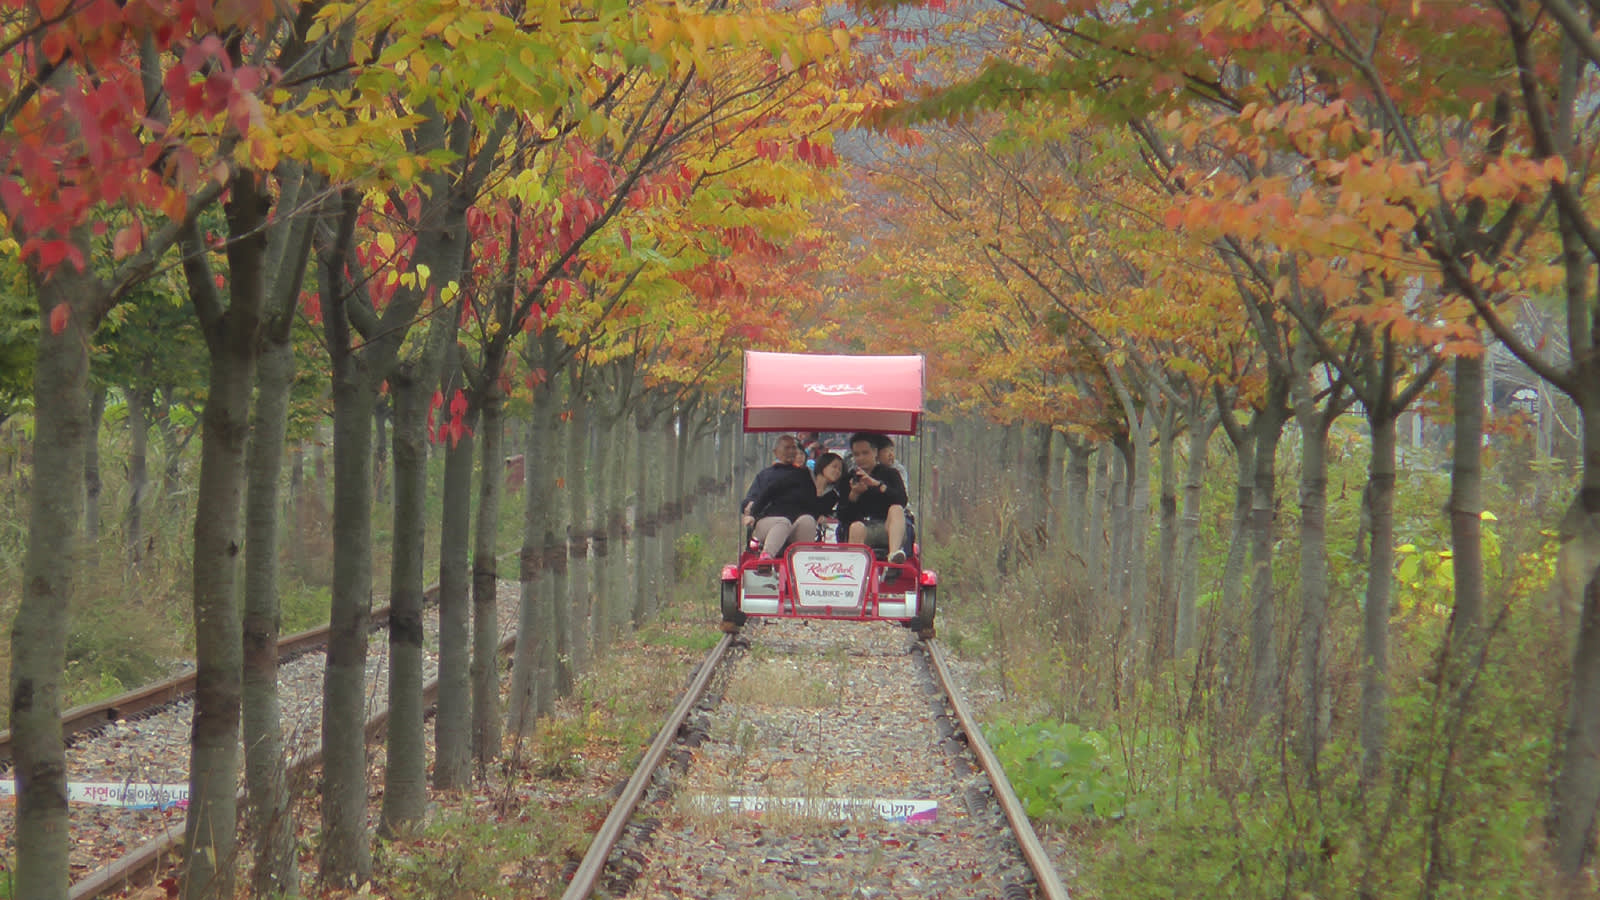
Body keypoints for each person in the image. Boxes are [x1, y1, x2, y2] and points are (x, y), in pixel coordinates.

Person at [744, 448, 837, 559]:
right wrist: (751, 509)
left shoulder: (806, 478)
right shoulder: (768, 475)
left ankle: (804, 561)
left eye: (801, 454)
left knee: (807, 520)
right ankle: (766, 558)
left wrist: (820, 513)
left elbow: (813, 506)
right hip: (770, 522)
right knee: (783, 523)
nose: (798, 457)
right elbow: (755, 498)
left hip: (795, 524)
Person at [836, 432, 909, 563]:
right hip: (861, 527)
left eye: (865, 453)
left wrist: (878, 485)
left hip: (887, 528)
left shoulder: (890, 473)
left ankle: (893, 556)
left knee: (896, 509)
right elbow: (842, 515)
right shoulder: (848, 479)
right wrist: (854, 495)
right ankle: (854, 568)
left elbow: (901, 500)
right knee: (856, 527)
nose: (861, 458)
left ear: (875, 452)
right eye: (857, 454)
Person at [741, 434, 804, 522]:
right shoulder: (765, 475)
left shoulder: (802, 475)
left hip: (796, 520)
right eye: (787, 448)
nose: (791, 451)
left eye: (793, 448)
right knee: (782, 523)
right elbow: (751, 498)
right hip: (769, 520)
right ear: (775, 452)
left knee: (807, 521)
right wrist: (750, 504)